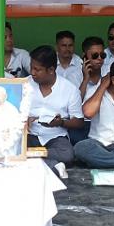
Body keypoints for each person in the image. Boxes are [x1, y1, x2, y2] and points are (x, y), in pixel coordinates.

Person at [28, 45, 84, 174]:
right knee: (12, 149)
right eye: (31, 68)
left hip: (55, 136)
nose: (32, 72)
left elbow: (79, 122)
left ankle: (32, 156)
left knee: (67, 155)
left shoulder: (70, 89)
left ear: (51, 70)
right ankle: (53, 165)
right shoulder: (24, 84)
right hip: (30, 134)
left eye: (37, 69)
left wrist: (61, 122)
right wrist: (23, 119)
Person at [70, 36, 106, 145]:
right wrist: (86, 79)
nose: (99, 58)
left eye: (102, 55)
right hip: (82, 124)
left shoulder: (109, 73)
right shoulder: (74, 76)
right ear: (84, 57)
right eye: (95, 55)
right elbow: (75, 105)